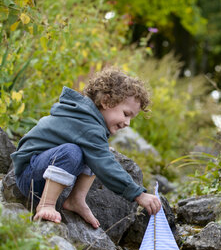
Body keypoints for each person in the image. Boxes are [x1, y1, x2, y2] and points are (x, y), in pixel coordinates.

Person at [11, 68, 161, 228]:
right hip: (30, 176)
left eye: (131, 118)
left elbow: (100, 156)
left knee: (98, 151)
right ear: (106, 102)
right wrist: (138, 194)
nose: (127, 123)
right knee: (75, 152)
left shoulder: (88, 119)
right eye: (126, 114)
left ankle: (76, 199)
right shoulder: (88, 125)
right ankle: (47, 204)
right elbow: (105, 165)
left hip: (42, 169)